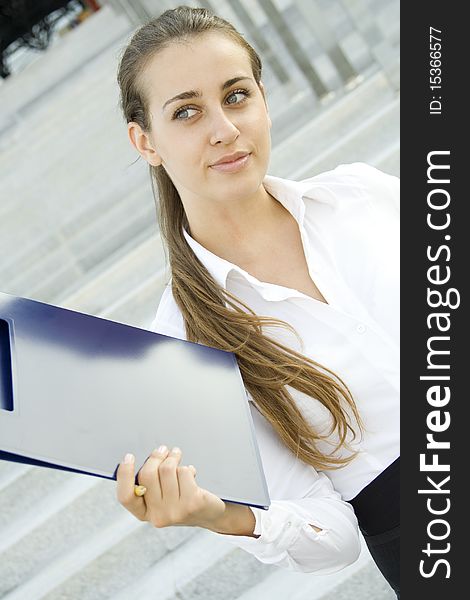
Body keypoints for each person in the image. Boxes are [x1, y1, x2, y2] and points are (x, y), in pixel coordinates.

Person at [114, 5, 400, 598]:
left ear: (263, 100)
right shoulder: (183, 346)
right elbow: (334, 539)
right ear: (146, 142)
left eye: (236, 95)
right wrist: (224, 516)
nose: (223, 128)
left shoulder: (364, 197)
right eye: (187, 112)